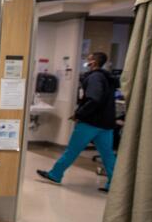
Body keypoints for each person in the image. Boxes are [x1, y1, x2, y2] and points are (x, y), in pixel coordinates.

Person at [37, 51, 117, 192]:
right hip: (106, 124)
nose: (86, 61)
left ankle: (55, 174)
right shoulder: (108, 78)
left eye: (89, 59)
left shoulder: (95, 78)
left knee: (72, 150)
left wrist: (79, 114)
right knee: (108, 155)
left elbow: (94, 99)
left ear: (94, 63)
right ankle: (115, 184)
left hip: (90, 123)